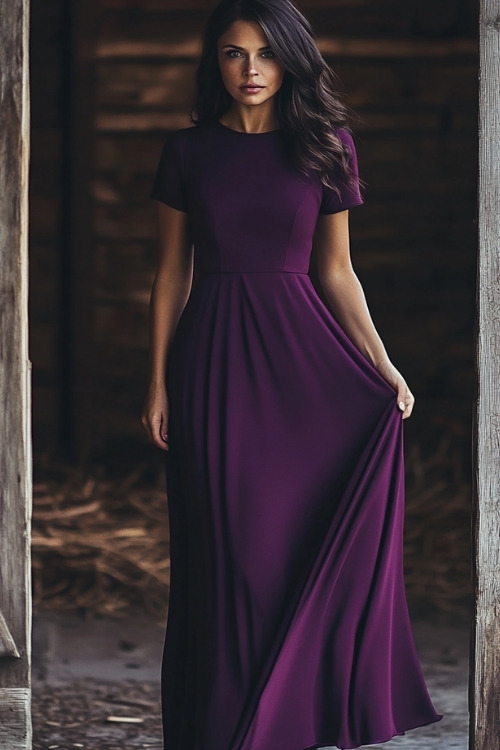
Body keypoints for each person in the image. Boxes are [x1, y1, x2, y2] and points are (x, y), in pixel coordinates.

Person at [141, 0, 442, 748]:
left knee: (279, 552)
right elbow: (171, 273)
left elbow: (337, 273)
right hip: (211, 361)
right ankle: (224, 727)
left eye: (266, 54)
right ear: (215, 62)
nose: (250, 70)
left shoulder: (326, 147)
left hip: (302, 371)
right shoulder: (188, 153)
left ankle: (280, 725)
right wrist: (157, 381)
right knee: (227, 552)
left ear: (290, 59)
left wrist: (382, 364)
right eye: (234, 54)